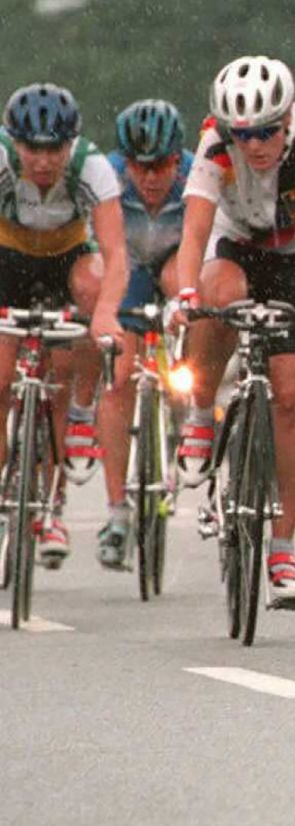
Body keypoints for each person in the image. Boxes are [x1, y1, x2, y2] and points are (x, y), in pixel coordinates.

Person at [174, 55, 295, 608]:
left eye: (267, 131)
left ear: (287, 119)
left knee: (289, 393)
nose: (257, 144)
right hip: (235, 244)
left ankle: (283, 547)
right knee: (216, 298)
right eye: (245, 134)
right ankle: (199, 415)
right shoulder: (215, 145)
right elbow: (194, 231)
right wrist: (184, 297)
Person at [0, 84, 128, 567]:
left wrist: (107, 315)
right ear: (15, 142)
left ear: (71, 144)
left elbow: (116, 254)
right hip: (7, 261)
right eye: (33, 147)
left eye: (55, 147)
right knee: (2, 380)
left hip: (66, 262)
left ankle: (77, 417)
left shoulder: (91, 167)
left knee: (93, 301)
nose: (43, 160)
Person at [95, 100, 192, 569]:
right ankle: (116, 512)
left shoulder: (196, 178)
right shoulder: (108, 179)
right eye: (139, 166)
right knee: (117, 382)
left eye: (161, 166)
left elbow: (205, 244)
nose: (150, 178)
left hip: (174, 264)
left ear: (178, 158)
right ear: (125, 161)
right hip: (129, 268)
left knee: (181, 282)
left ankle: (181, 417)